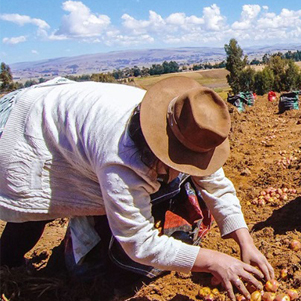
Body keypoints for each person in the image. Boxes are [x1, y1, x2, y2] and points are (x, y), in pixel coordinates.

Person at [0, 76, 273, 300]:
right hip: (27, 129)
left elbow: (216, 183)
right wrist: (214, 260)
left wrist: (245, 242)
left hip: (69, 122)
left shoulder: (186, 125)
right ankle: (8, 265)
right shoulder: (122, 158)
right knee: (34, 209)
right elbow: (139, 242)